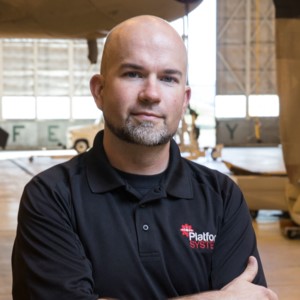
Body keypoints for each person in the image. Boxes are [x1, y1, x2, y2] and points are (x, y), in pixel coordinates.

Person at [11, 15, 278, 300]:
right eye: (133, 74)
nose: (151, 94)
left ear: (184, 99)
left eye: (168, 78)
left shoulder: (222, 197)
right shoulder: (51, 197)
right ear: (99, 91)